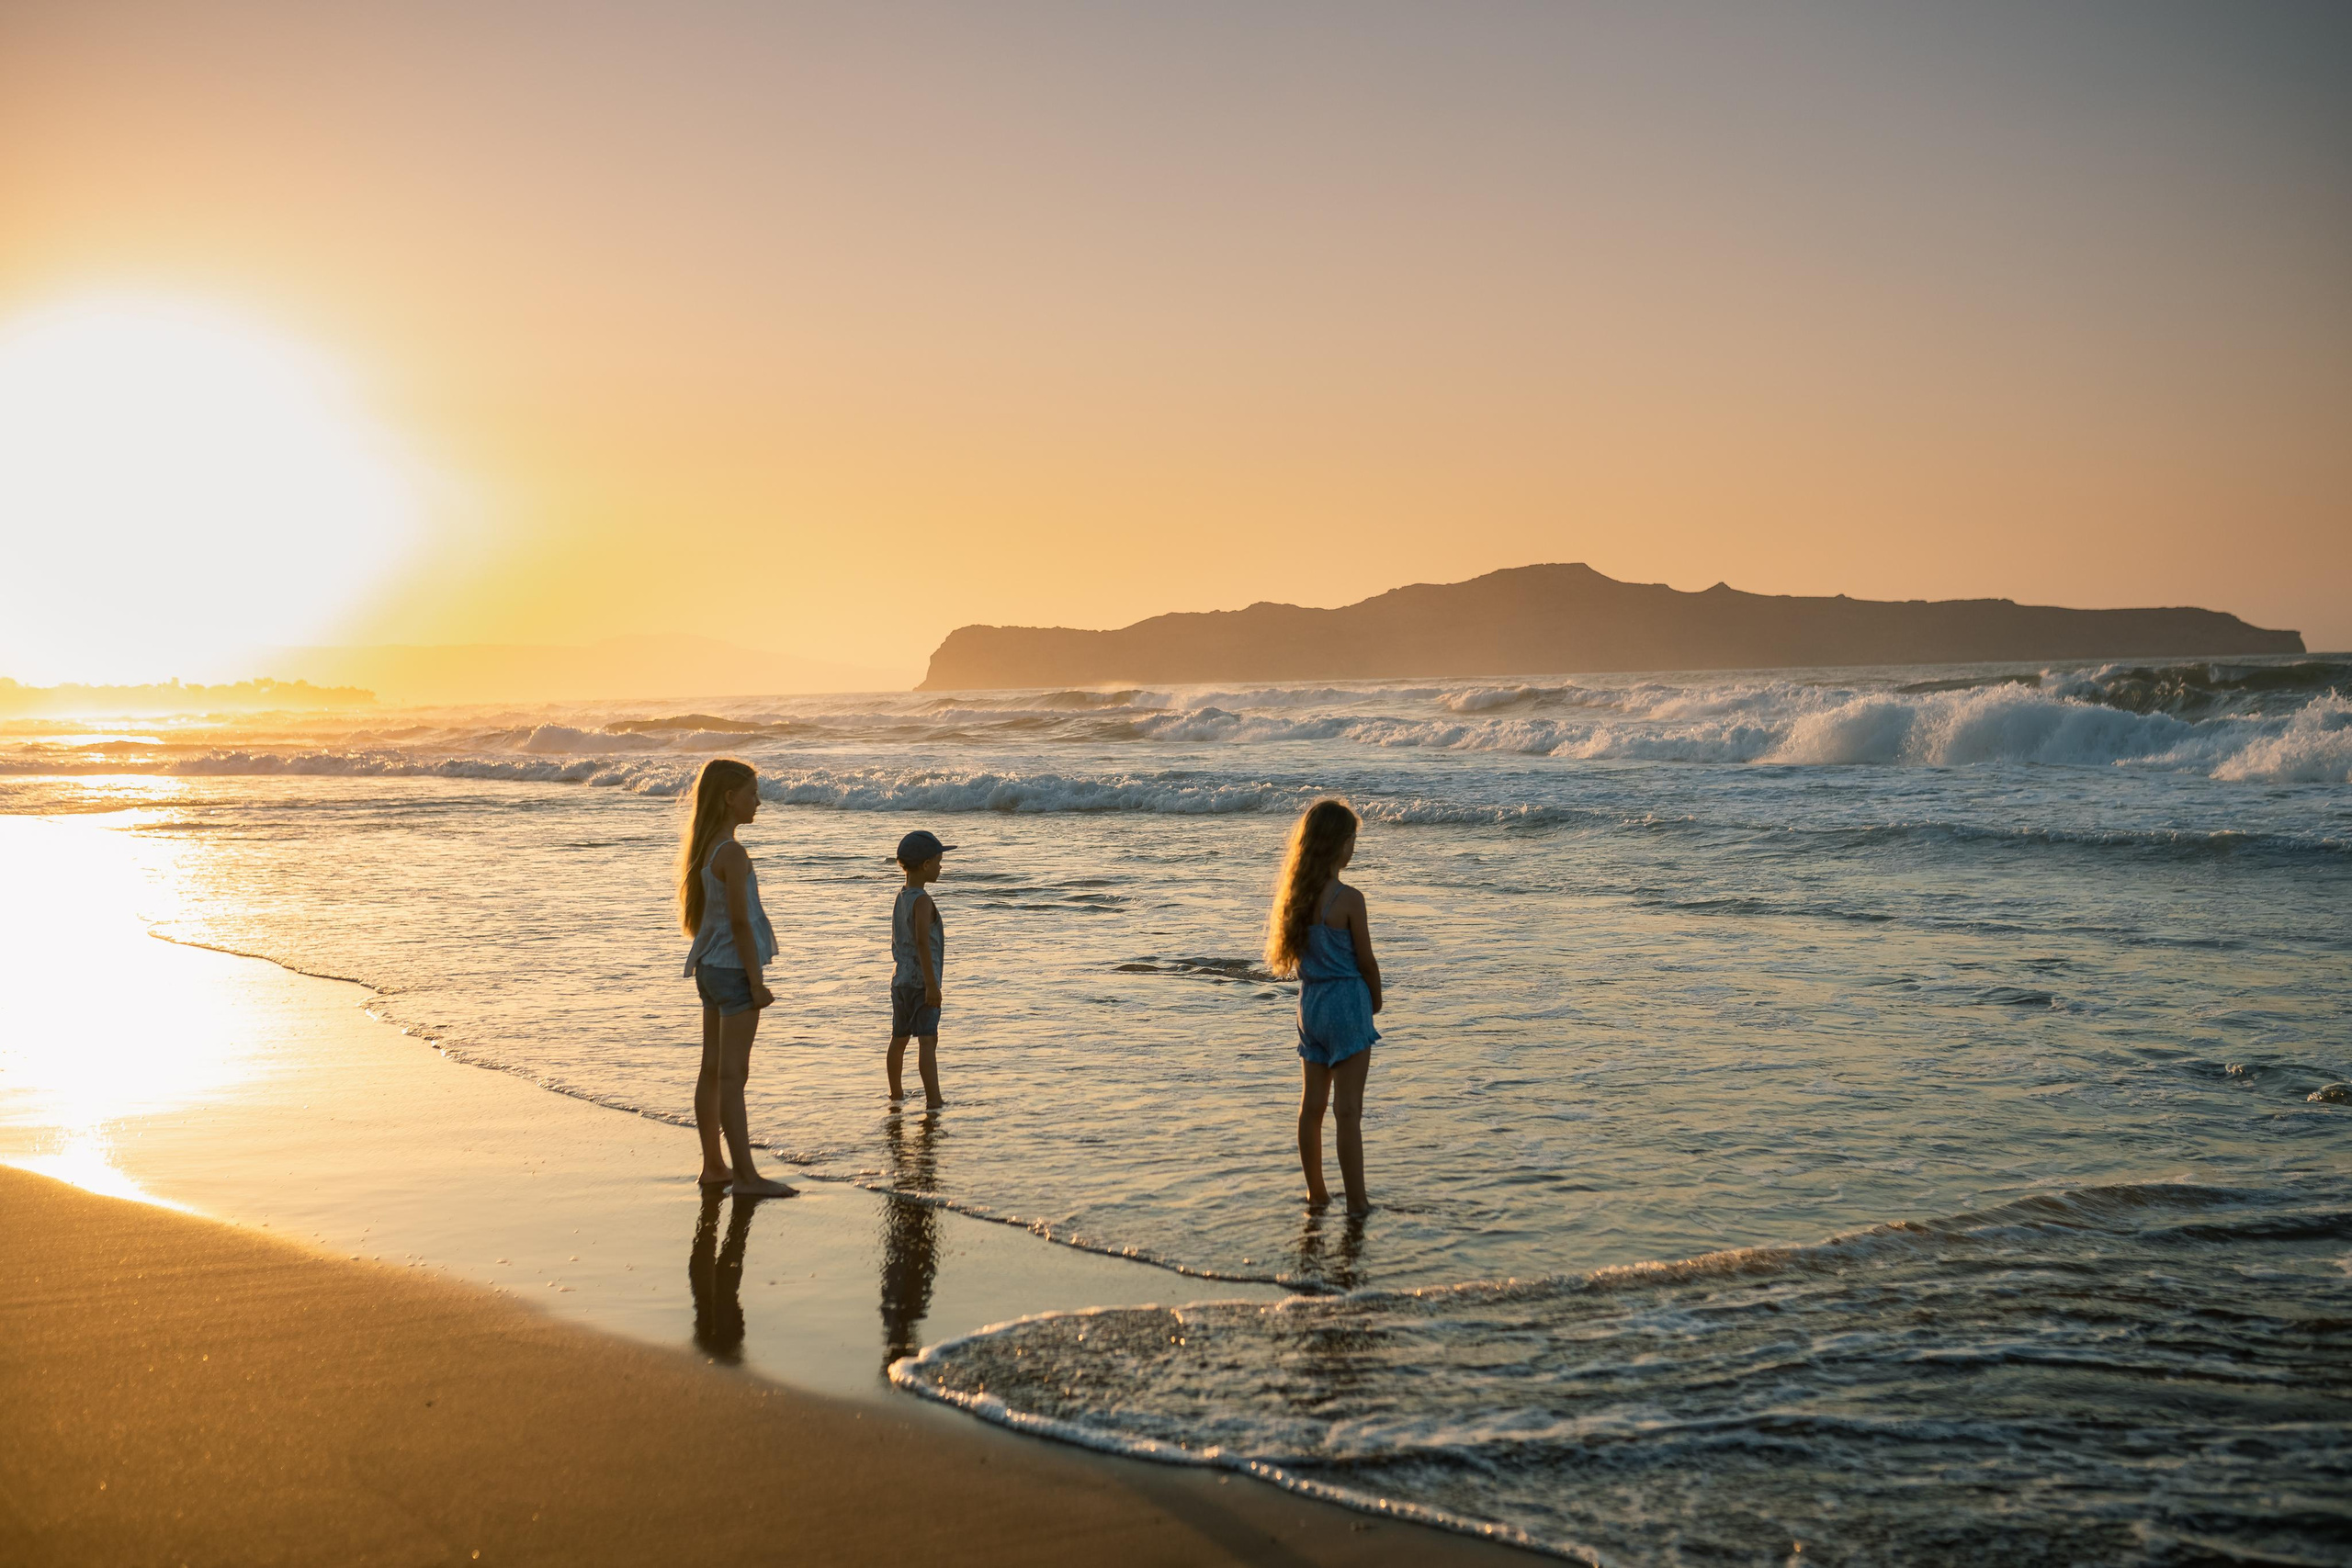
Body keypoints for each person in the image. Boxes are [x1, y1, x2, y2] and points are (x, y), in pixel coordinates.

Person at [677, 757, 797, 1197]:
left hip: (708, 967)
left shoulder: (709, 846)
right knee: (732, 1076)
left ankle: (714, 1166)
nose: (758, 802)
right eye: (752, 793)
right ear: (730, 799)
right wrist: (756, 981)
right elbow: (742, 924)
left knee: (711, 1071)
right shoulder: (733, 852)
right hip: (731, 969)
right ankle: (746, 1176)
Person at [1265, 797, 1382, 1214]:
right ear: (1339, 844)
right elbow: (1366, 960)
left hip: (1310, 1005)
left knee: (1311, 1107)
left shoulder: (1296, 898)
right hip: (1346, 1004)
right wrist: (1377, 996)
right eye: (1353, 839)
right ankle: (1357, 1202)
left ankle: (1317, 1193)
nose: (1354, 847)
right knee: (1348, 1111)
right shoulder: (1349, 899)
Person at [887, 829, 955, 1109]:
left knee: (899, 1039)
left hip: (901, 981)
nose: (941, 867)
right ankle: (934, 1100)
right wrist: (931, 985)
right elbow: (923, 944)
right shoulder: (923, 900)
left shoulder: (902, 897)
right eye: (938, 862)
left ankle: (896, 1094)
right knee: (928, 1041)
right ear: (926, 865)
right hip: (921, 983)